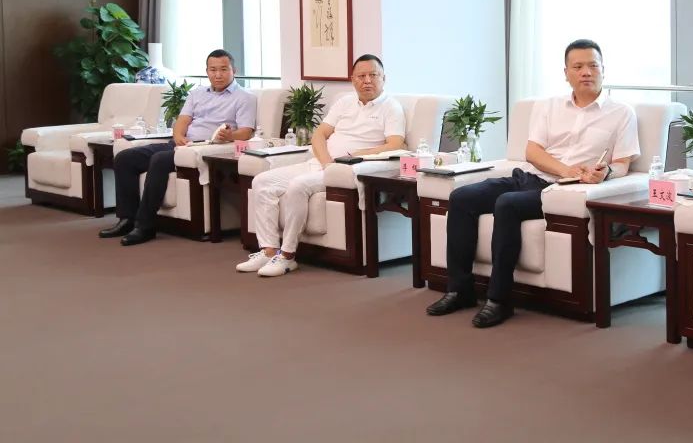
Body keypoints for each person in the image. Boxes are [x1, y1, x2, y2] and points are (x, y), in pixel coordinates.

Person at [426, 39, 639, 328]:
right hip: (529, 177)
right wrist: (564, 169)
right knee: (462, 197)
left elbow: (624, 163)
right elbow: (533, 152)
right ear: (566, 73)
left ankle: (499, 300)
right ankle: (459, 290)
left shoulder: (621, 112)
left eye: (593, 65)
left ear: (604, 69)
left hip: (562, 192)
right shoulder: (549, 106)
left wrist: (606, 172)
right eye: (578, 66)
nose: (586, 72)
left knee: (507, 204)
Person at [237, 54, 405, 277]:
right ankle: (268, 250)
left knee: (298, 186)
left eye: (373, 75)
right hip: (320, 163)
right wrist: (326, 162)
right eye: (361, 76)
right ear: (352, 79)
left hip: (346, 169)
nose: (367, 81)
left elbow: (395, 143)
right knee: (262, 181)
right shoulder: (344, 102)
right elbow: (319, 134)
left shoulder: (390, 107)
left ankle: (287, 256)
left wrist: (356, 155)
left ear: (384, 78)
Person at [100, 49, 257, 246]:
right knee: (125, 158)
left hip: (203, 148)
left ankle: (145, 226)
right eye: (213, 70)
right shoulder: (197, 93)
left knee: (159, 160)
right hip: (180, 145)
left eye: (224, 69)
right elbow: (182, 120)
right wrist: (178, 137)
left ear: (234, 70)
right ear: (207, 71)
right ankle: (126, 219)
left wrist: (230, 136)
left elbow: (246, 132)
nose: (218, 74)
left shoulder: (244, 97)